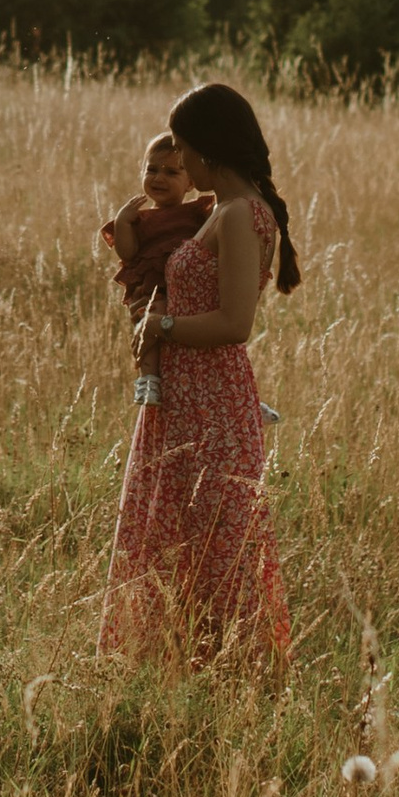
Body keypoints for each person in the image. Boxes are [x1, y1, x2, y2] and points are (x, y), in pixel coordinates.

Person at [99, 81, 297, 664]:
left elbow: (235, 323)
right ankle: (178, 675)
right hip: (188, 398)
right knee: (182, 542)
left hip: (211, 400)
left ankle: (224, 677)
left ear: (207, 148)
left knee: (213, 548)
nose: (176, 162)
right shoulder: (227, 211)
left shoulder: (239, 215)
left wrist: (160, 330)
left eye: (181, 149)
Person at [99, 132, 214, 341]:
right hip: (152, 290)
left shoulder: (196, 212)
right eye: (151, 170)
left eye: (171, 173)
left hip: (186, 290)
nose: (158, 178)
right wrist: (122, 223)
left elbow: (217, 223)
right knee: (148, 322)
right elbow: (128, 253)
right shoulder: (139, 219)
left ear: (190, 183)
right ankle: (148, 372)